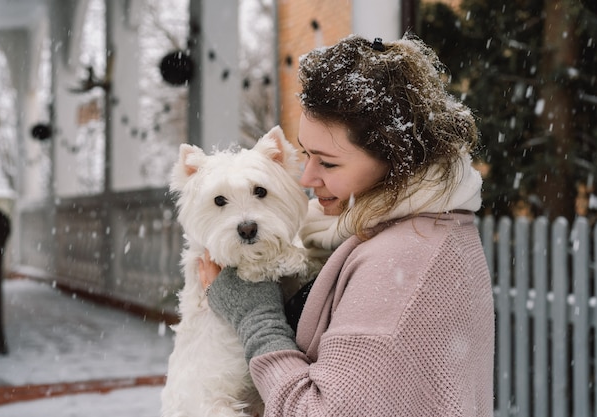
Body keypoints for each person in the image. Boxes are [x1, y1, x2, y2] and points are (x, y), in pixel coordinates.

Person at [199, 34, 494, 416]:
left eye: (329, 162)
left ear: (394, 159)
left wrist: (254, 315)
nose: (306, 177)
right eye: (305, 154)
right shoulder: (422, 227)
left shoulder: (402, 260)